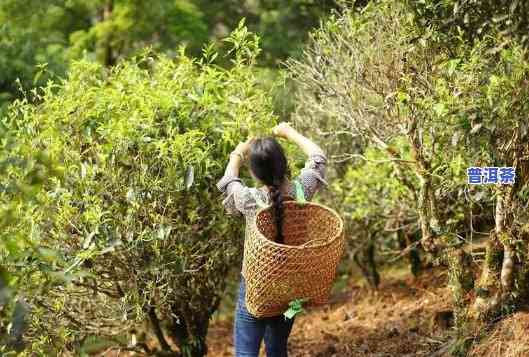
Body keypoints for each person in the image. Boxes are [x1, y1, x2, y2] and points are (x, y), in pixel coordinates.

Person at [216, 122, 328, 357]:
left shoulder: (248, 199)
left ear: (255, 173)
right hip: (290, 295)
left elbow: (228, 180)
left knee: (246, 353)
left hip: (255, 293)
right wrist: (290, 133)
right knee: (277, 350)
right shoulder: (302, 190)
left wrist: (238, 153)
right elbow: (318, 156)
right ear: (284, 164)